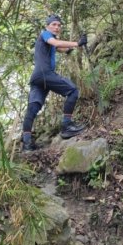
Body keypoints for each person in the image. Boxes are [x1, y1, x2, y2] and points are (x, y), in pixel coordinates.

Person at [22, 14, 88, 151]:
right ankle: (66, 126)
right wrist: (77, 43)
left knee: (33, 107)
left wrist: (73, 47)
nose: (57, 27)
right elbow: (56, 43)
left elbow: (61, 48)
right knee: (73, 90)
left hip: (37, 78)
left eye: (59, 25)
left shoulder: (48, 42)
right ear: (47, 26)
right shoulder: (45, 35)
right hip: (45, 74)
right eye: (54, 24)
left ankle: (27, 143)